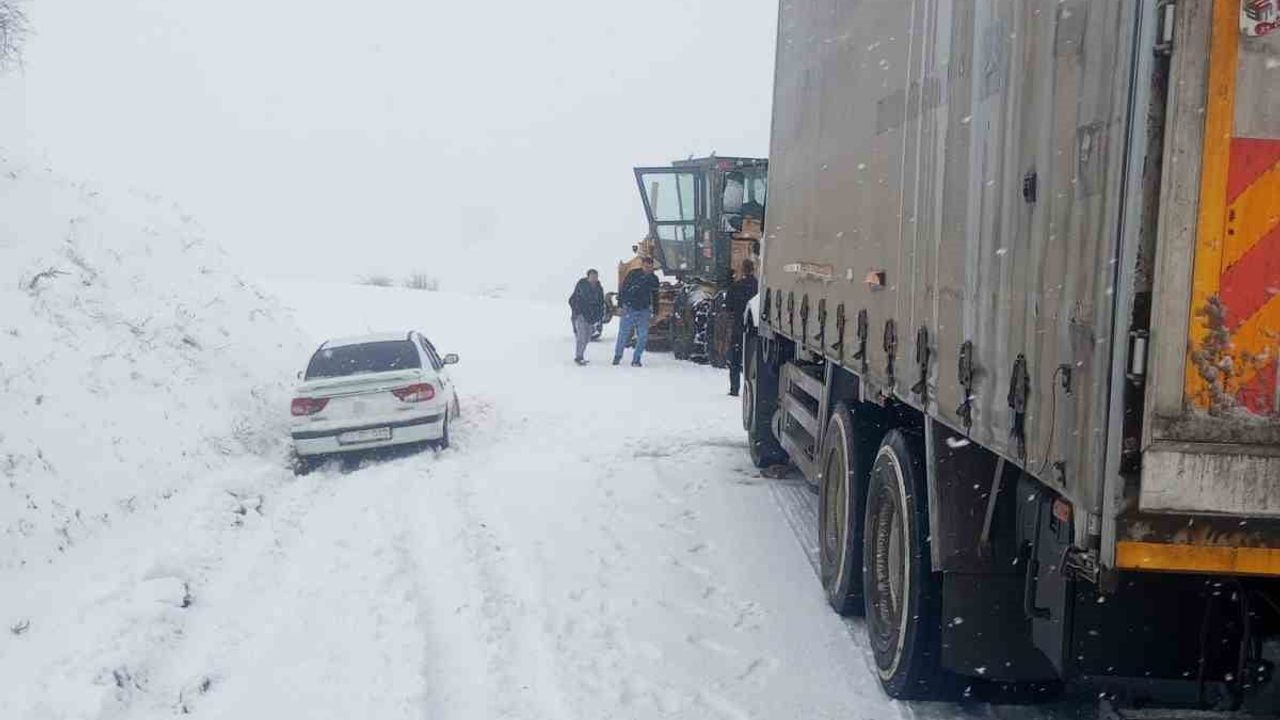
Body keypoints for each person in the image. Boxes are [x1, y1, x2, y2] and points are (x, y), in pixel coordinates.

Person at [613, 256, 660, 367]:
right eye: (646, 266)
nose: (648, 269)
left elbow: (655, 296)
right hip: (629, 308)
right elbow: (623, 289)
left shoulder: (654, 279)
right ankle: (618, 356)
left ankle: (636, 359)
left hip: (644, 310)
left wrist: (655, 312)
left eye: (650, 267)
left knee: (643, 336)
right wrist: (620, 306)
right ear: (642, 265)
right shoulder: (633, 275)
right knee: (623, 334)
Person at [724, 258, 759, 396]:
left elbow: (728, 306)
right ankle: (752, 388)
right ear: (753, 269)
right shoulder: (758, 287)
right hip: (755, 329)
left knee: (735, 360)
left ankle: (734, 389)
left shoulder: (736, 286)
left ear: (743, 270)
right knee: (752, 360)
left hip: (739, 327)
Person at [568, 268, 605, 365]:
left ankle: (581, 355)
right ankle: (578, 357)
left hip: (591, 316)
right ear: (588, 277)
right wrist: (577, 310)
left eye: (596, 277)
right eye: (592, 276)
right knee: (581, 337)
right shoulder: (581, 285)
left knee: (588, 336)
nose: (594, 278)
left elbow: (601, 302)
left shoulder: (599, 288)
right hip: (580, 315)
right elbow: (572, 299)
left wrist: (599, 314)